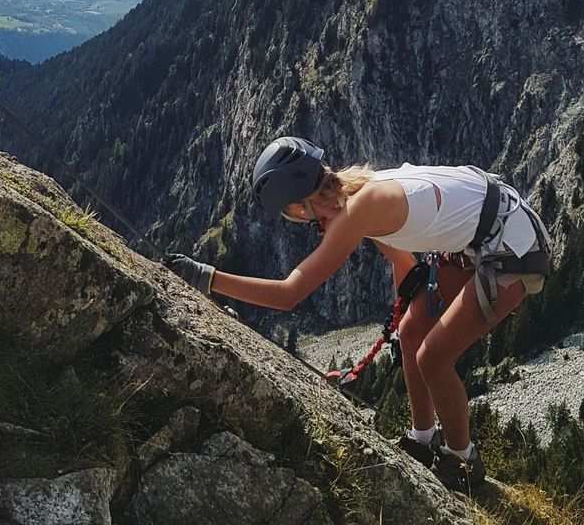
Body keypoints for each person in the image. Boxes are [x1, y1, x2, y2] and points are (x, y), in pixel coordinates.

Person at [167, 135, 553, 492]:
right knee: (414, 334)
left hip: (513, 250)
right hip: (491, 228)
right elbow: (402, 260)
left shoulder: (357, 211)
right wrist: (405, 324)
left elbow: (289, 294)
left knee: (432, 358)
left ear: (300, 203)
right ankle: (422, 438)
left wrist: (207, 278)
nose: (298, 221)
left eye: (291, 213)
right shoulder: (360, 189)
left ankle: (463, 462)